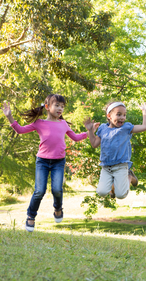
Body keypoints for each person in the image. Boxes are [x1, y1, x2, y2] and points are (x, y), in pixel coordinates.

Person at [2, 95, 88, 232]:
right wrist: (9, 117)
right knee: (39, 191)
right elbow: (20, 130)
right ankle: (31, 216)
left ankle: (58, 209)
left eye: (62, 106)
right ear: (47, 107)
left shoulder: (63, 124)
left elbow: (76, 138)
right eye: (57, 105)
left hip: (59, 162)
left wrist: (89, 132)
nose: (60, 108)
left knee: (57, 190)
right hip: (42, 161)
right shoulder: (39, 123)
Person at [85, 101, 146, 199]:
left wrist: (144, 111)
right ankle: (113, 186)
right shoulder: (102, 128)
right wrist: (90, 131)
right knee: (101, 192)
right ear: (109, 116)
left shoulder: (126, 128)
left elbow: (145, 127)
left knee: (121, 195)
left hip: (121, 166)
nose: (122, 117)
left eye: (124, 115)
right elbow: (94, 144)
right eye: (118, 114)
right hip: (106, 167)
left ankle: (129, 176)